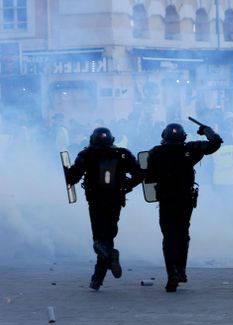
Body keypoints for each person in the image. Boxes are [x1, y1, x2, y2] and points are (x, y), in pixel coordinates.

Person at [145, 122, 223, 292]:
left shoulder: (156, 153)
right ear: (183, 137)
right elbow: (216, 143)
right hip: (185, 199)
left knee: (169, 236)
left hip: (166, 200)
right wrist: (206, 130)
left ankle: (172, 272)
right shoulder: (191, 149)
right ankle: (180, 270)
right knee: (182, 233)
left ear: (163, 136)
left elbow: (149, 178)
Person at [64, 127, 143, 291]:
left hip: (96, 202)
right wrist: (126, 187)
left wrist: (67, 171)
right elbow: (139, 174)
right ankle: (97, 279)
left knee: (99, 240)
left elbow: (73, 177)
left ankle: (104, 264)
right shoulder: (123, 154)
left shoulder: (87, 155)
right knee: (108, 236)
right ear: (112, 140)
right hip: (115, 201)